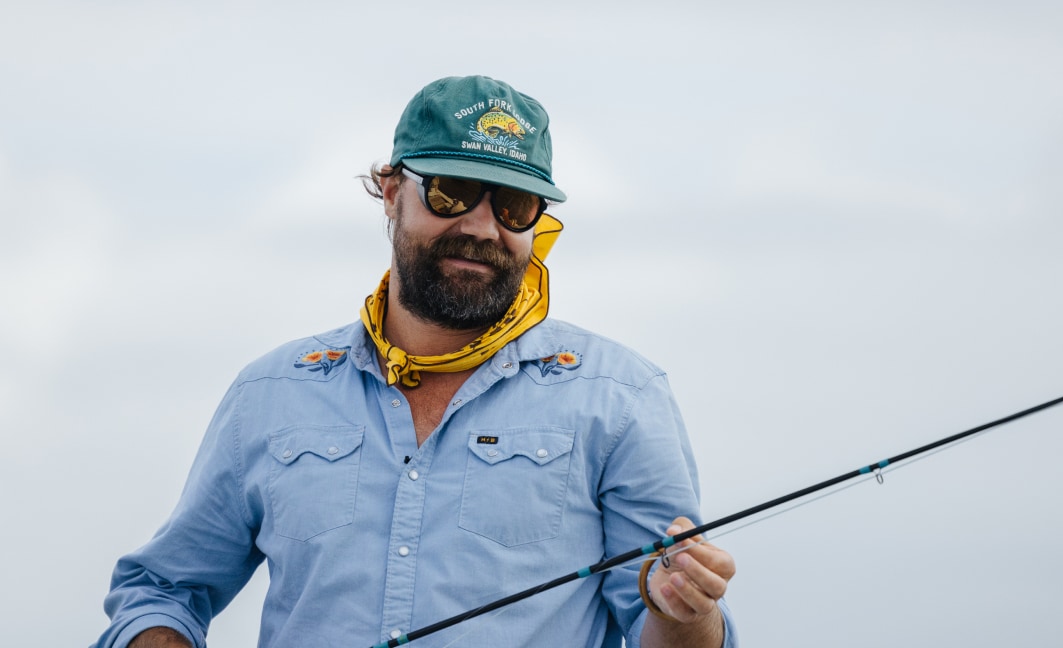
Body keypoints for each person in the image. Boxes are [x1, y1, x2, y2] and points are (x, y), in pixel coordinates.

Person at [93, 75, 738, 648]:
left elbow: (676, 632)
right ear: (391, 190)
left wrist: (681, 608)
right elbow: (163, 589)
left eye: (514, 206)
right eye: (454, 192)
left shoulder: (622, 395)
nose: (484, 227)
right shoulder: (270, 390)